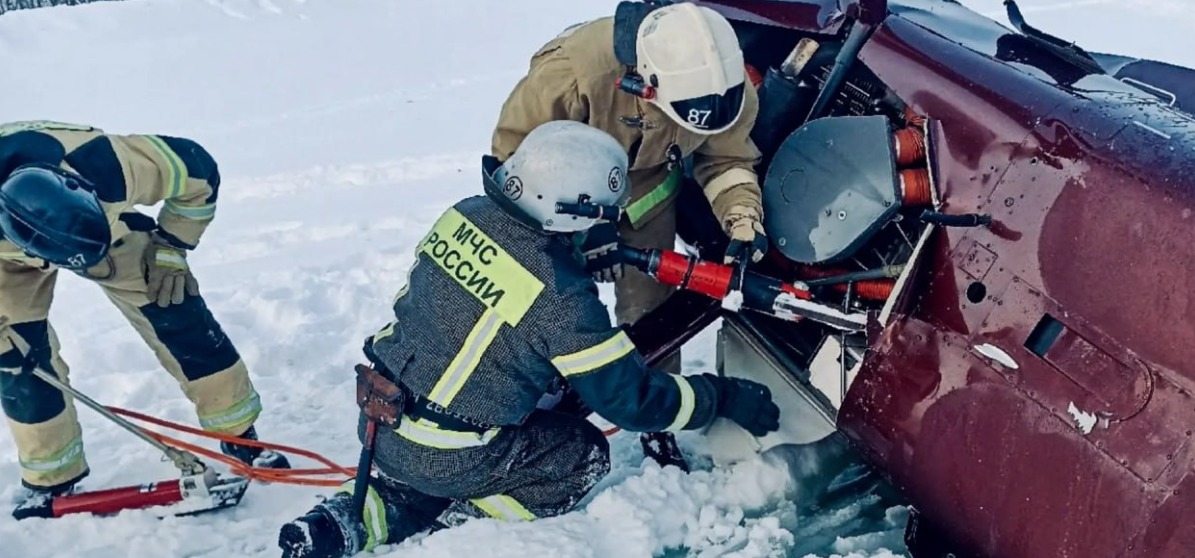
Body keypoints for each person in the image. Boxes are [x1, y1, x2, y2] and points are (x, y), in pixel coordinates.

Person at [278, 121, 779, 558]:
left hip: (383, 420)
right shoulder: (561, 299)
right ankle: (465, 527)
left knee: (421, 471)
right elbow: (632, 402)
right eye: (601, 216)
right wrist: (722, 398)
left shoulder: (466, 213)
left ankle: (346, 518)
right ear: (570, 213)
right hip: (454, 450)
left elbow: (503, 285)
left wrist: (573, 251)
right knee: (578, 452)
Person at [489, 0, 769, 470]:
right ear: (645, 84)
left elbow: (726, 159)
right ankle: (525, 405)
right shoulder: (573, 73)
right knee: (547, 307)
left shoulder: (726, 88)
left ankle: (656, 424)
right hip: (555, 194)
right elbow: (514, 160)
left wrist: (742, 220)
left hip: (646, 190)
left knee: (653, 311)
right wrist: (586, 228)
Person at [0, 120, 288, 520]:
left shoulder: (110, 165)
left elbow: (200, 171)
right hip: (5, 263)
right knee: (16, 359)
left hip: (105, 231)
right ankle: (52, 476)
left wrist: (171, 246)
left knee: (175, 308)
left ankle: (240, 434)